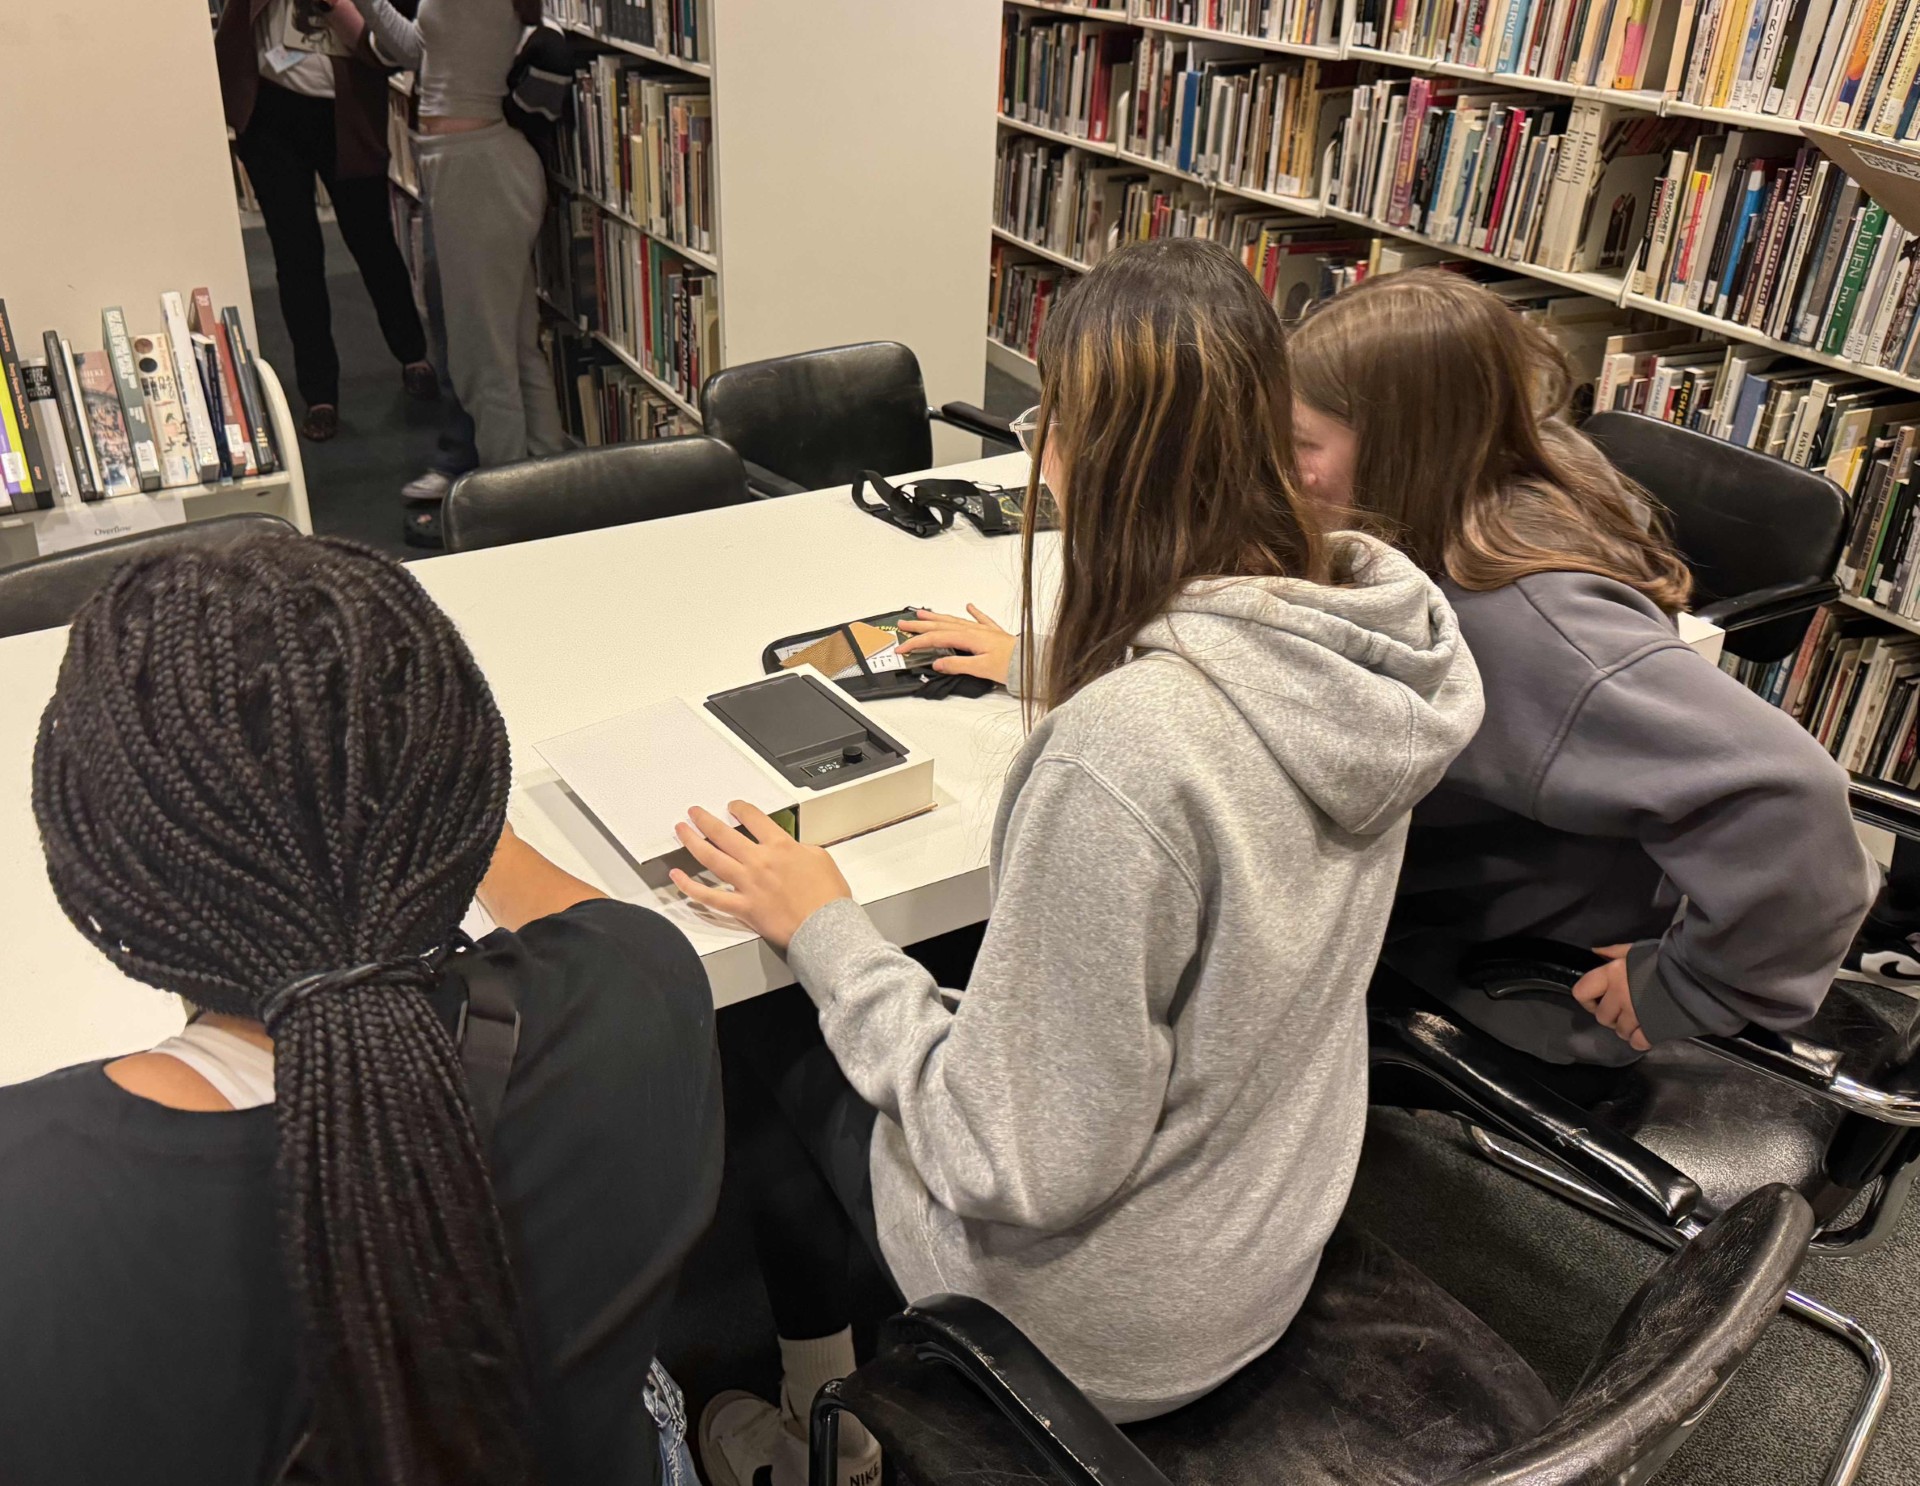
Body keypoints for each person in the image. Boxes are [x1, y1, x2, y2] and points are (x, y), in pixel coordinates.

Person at [671, 238, 1484, 1486]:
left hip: (1110, 1322)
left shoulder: (1122, 760)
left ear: (1073, 457)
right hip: (1266, 1229)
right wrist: (1058, 664)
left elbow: (1014, 1163)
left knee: (773, 1019)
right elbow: (1226, 744)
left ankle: (827, 1412)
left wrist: (826, 927)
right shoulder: (1372, 647)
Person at [0, 535, 721, 1486]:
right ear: (463, 792)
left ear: (99, 859)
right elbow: (593, 918)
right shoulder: (640, 988)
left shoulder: (34, 1212)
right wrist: (414, 806)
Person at [1287, 267, 1877, 1069]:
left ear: (1403, 453)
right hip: (1478, 886)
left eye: (1300, 445)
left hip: (1514, 975)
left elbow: (1794, 797)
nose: (1285, 472)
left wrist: (1691, 986)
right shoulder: (1485, 496)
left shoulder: (1528, 630)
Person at [330, 0, 568, 522]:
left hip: (476, 168)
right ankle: (547, 486)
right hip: (468, 165)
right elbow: (417, 49)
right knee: (512, 346)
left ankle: (510, 507)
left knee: (481, 360)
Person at [216, 0, 437, 442]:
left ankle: (412, 352)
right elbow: (234, 27)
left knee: (370, 238)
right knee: (296, 256)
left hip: (346, 114)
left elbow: (388, 52)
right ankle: (319, 393)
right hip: (270, 114)